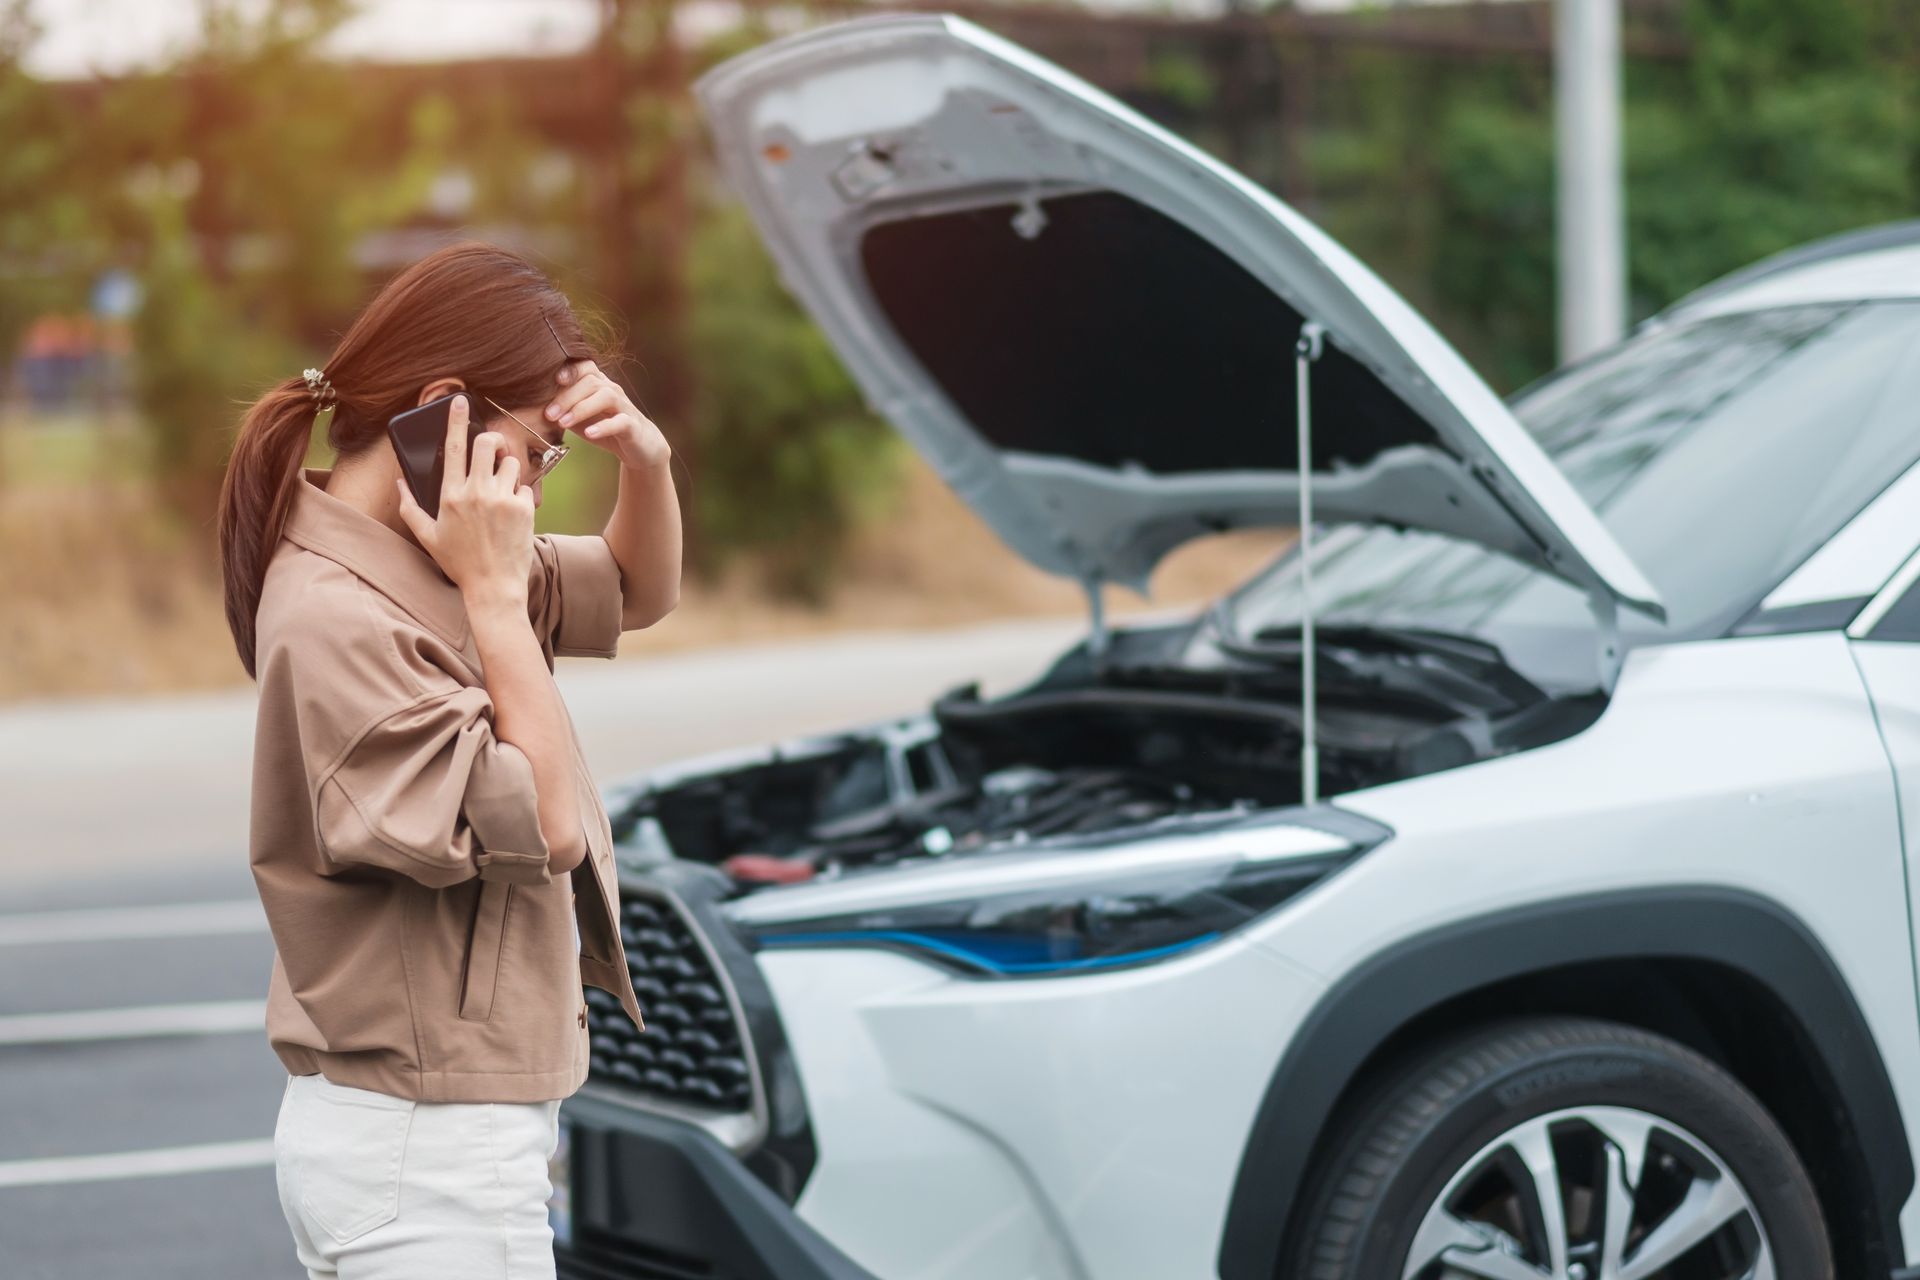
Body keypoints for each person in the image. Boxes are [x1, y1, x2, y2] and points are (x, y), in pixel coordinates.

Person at [216, 241, 681, 1278]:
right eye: (541, 447)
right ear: (445, 412)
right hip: (425, 1149)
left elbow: (637, 589)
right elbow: (544, 823)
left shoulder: (416, 553)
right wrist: (497, 596)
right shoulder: (342, 607)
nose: (543, 480)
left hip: (440, 1134)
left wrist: (642, 458)